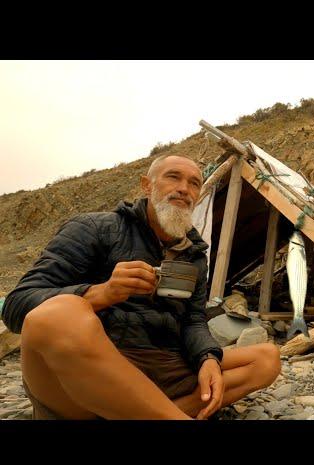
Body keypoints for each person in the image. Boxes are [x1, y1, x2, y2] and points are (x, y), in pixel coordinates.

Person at [1, 154, 281, 420]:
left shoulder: (194, 255)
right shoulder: (95, 228)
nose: (184, 189)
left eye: (194, 183)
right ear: (147, 185)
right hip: (93, 373)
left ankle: (141, 411)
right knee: (58, 312)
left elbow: (194, 320)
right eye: (173, 177)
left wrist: (208, 357)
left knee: (266, 358)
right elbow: (17, 306)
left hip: (164, 368)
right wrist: (104, 293)